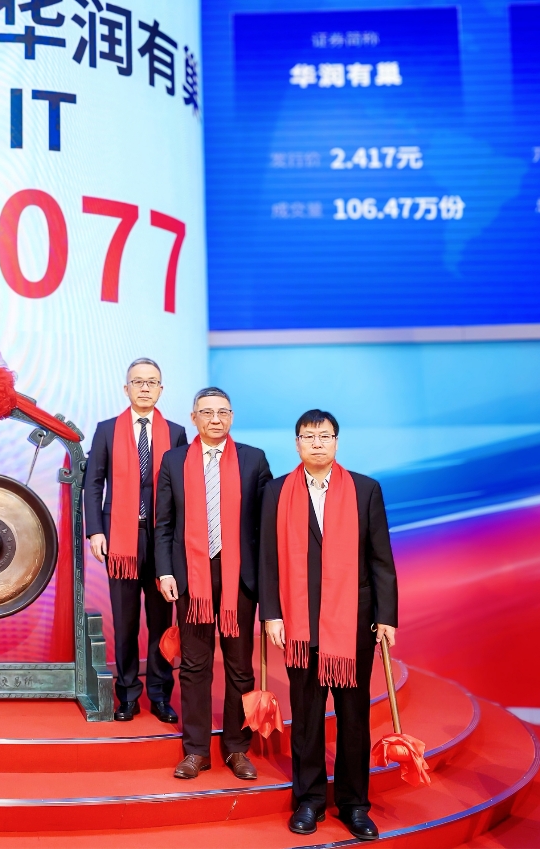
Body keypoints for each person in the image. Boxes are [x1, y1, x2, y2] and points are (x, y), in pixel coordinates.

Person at [259, 410, 399, 841]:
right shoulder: (276, 491)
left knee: (354, 717)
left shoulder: (365, 489)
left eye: (325, 436)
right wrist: (272, 613)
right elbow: (267, 557)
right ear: (297, 443)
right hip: (300, 625)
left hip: (352, 624)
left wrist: (386, 617)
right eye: (309, 436)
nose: (317, 443)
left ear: (337, 441)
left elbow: (381, 559)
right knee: (306, 717)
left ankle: (355, 804)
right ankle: (310, 800)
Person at [155, 388, 273, 780]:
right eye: (207, 412)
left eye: (223, 412)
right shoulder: (174, 461)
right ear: (194, 418)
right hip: (192, 578)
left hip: (240, 577)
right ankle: (196, 750)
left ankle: (237, 748)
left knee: (240, 668)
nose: (215, 419)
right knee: (194, 666)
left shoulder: (254, 460)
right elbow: (164, 523)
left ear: (232, 416)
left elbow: (266, 524)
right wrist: (165, 571)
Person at [84, 358, 187, 722]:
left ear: (161, 389)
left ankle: (159, 694)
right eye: (138, 381)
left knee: (161, 622)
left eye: (152, 382)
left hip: (162, 541)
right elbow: (93, 483)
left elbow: (183, 490)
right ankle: (127, 694)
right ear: (125, 388)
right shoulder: (107, 430)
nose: (145, 387)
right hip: (120, 540)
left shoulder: (175, 433)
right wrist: (96, 530)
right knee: (125, 623)